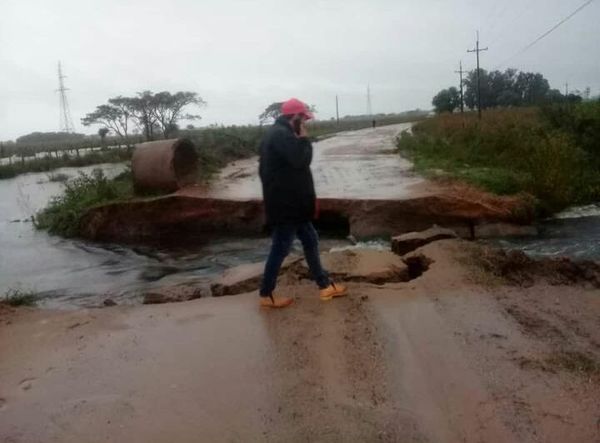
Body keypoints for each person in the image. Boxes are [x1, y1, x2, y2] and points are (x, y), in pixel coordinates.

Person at [258, 98, 347, 308]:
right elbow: (301, 160)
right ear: (295, 117)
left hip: (291, 204)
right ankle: (266, 293)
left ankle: (324, 285)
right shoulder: (282, 136)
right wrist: (304, 139)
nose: (306, 122)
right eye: (304, 118)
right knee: (280, 248)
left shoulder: (278, 134)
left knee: (310, 240)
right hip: (287, 206)